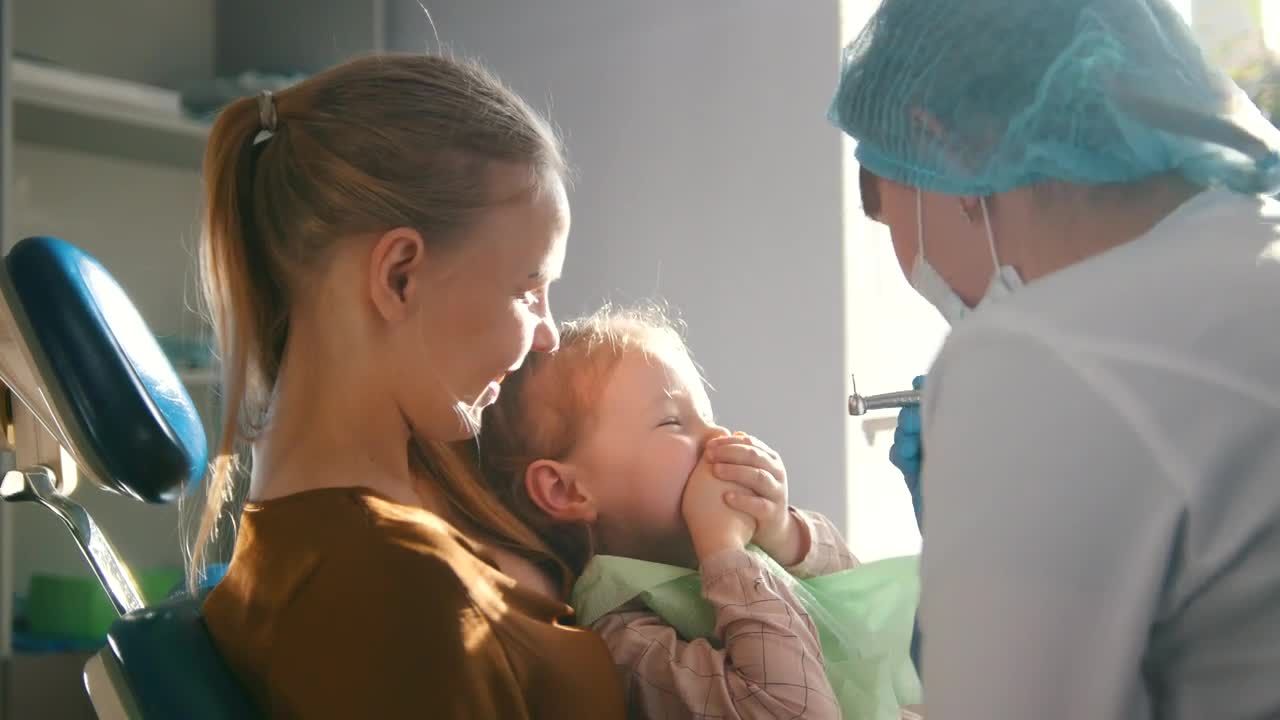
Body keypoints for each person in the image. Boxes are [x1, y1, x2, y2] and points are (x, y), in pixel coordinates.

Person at [828, 0, 1280, 717]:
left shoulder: (1038, 353)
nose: (945, 302)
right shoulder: (1252, 246)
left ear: (940, 140)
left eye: (916, 261)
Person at [191, 54, 624, 718]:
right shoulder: (387, 589)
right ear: (399, 276)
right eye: (528, 290)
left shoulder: (354, 535)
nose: (548, 336)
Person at [476, 304, 924, 719]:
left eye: (708, 415)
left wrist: (784, 534)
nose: (718, 437)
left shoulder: (736, 552)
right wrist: (724, 553)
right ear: (566, 490)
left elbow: (855, 609)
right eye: (673, 422)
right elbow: (795, 711)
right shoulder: (624, 641)